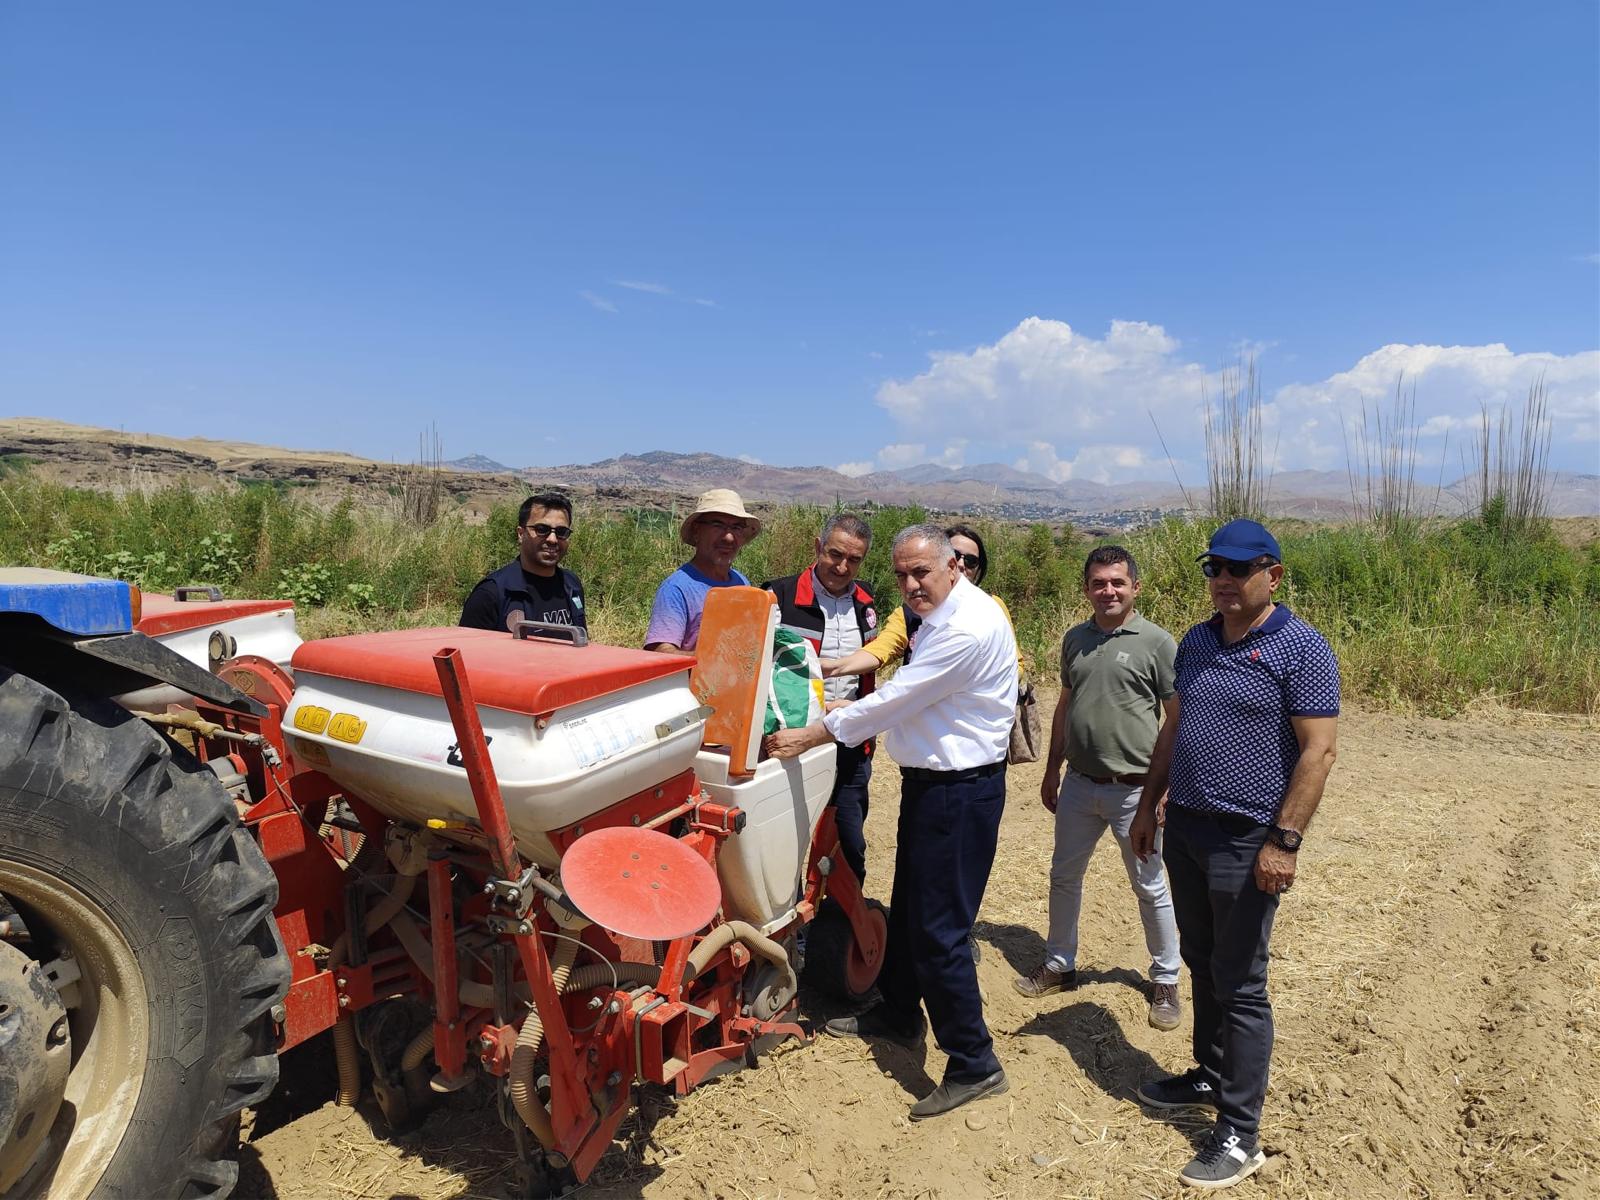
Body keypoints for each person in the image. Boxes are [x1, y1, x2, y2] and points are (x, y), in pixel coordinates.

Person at [765, 524, 1017, 1121]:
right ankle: (901, 1012)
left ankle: (974, 1061)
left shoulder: (966, 627)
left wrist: (815, 730)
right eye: (901, 575)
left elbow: (898, 698)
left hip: (961, 792)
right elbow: (903, 693)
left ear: (953, 566)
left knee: (940, 931)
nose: (909, 586)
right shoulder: (943, 613)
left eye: (921, 573)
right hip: (932, 787)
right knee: (907, 909)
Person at [1129, 519, 1340, 1190]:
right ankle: (1209, 1074)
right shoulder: (1196, 641)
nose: (1221, 579)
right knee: (1201, 959)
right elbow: (1175, 728)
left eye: (1237, 568)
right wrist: (1147, 804)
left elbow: (1319, 751)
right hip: (1186, 827)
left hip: (1250, 837)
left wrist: (1285, 840)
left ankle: (1239, 1133)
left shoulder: (1301, 649)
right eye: (1214, 567)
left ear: (1272, 576)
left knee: (1243, 983)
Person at [1013, 546, 1183, 1033]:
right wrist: (1051, 769)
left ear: (1135, 588)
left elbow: (1176, 718)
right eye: (1098, 583)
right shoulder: (1076, 640)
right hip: (1080, 786)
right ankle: (1060, 963)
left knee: (1149, 885)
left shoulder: (1156, 643)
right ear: (1086, 588)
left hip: (1135, 792)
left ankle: (1166, 978)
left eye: (1117, 583)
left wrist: (1164, 788)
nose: (1108, 591)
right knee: (1064, 876)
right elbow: (1066, 706)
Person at [762, 514, 880, 883]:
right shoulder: (778, 595)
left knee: (847, 838)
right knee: (788, 839)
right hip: (793, 742)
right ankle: (789, 924)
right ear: (817, 547)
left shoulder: (866, 603)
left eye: (854, 559)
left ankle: (842, 925)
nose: (843, 566)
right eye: (835, 554)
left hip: (848, 740)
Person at [822, 522, 1020, 677]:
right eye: (955, 555)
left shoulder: (991, 607)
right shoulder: (910, 610)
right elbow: (882, 648)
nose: (960, 564)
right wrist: (835, 667)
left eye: (971, 561)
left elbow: (1015, 663)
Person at [644, 489, 761, 653]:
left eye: (736, 527)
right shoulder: (677, 588)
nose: (728, 537)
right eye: (718, 525)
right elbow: (661, 652)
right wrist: (711, 661)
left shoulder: (741, 583)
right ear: (697, 530)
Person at [459, 492, 587, 632]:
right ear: (521, 534)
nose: (552, 539)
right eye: (541, 529)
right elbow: (469, 651)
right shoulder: (492, 594)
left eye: (561, 531)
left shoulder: (572, 585)